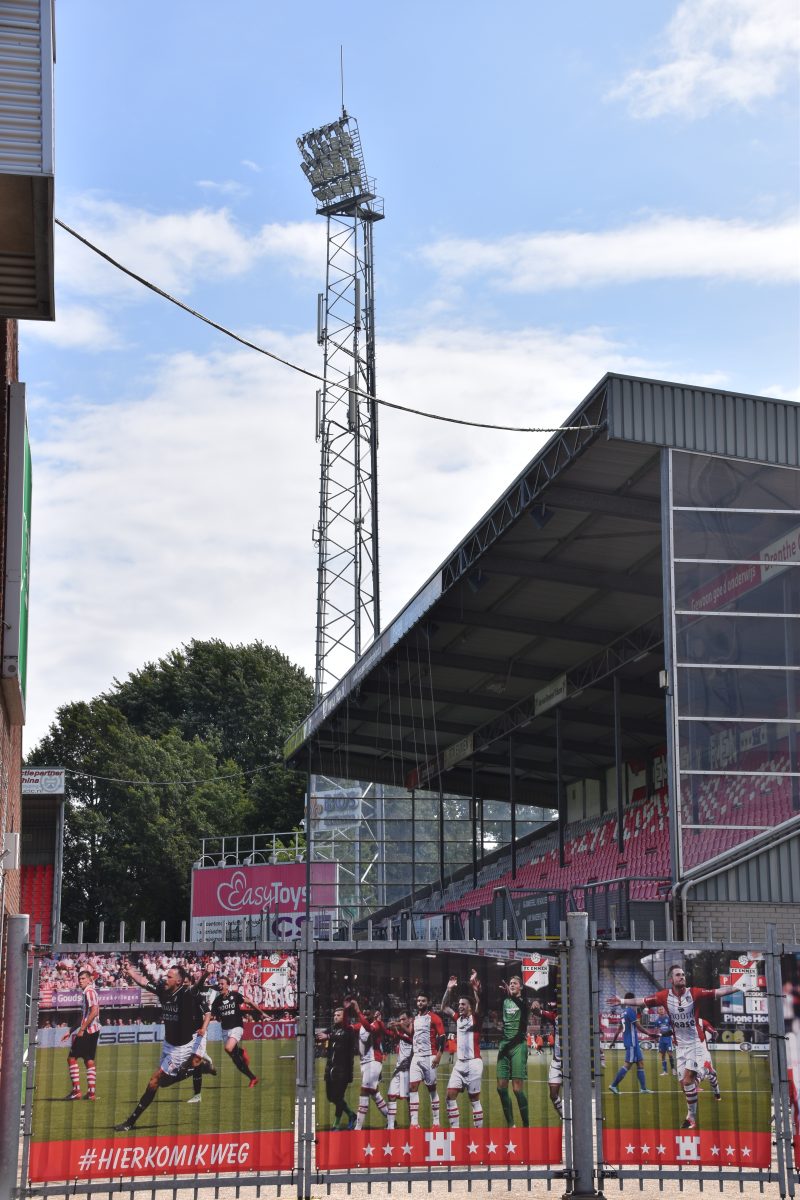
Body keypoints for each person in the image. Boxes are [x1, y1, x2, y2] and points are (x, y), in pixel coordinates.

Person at [611, 963, 743, 1129]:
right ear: (671, 979)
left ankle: (691, 1117)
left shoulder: (694, 993)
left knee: (688, 1078)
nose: (682, 977)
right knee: (684, 1084)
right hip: (679, 1046)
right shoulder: (663, 996)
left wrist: (739, 987)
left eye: (683, 974)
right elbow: (641, 1001)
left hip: (695, 1043)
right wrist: (622, 1000)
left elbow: (719, 991)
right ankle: (699, 1086)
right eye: (678, 975)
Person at [114, 960, 215, 1130]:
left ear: (178, 981)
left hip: (181, 1048)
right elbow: (144, 983)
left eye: (169, 977)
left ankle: (130, 1122)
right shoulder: (163, 990)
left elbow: (197, 987)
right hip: (168, 1044)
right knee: (164, 1083)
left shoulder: (186, 994)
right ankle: (196, 1069)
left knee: (154, 1080)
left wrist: (206, 973)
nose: (165, 978)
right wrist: (130, 971)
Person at [441, 970, 483, 1128]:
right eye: (459, 1004)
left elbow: (479, 1003)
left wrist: (475, 988)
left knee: (474, 1100)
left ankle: (478, 1133)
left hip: (474, 1063)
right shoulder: (458, 1018)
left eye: (463, 1004)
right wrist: (448, 989)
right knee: (450, 1096)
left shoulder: (476, 1018)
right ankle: (455, 1131)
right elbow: (444, 1006)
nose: (460, 1006)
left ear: (470, 1007)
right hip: (460, 1064)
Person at [210, 975, 267, 1087]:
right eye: (219, 984)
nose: (220, 985)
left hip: (236, 1027)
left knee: (228, 1048)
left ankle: (241, 1053)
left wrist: (261, 1012)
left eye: (222, 984)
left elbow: (249, 1002)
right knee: (235, 1058)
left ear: (228, 985)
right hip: (225, 1030)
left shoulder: (235, 995)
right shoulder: (216, 1001)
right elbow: (213, 1016)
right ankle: (252, 1077)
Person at [347, 998, 390, 1129]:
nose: (365, 1014)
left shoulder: (377, 1024)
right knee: (374, 1093)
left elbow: (367, 1026)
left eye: (367, 1013)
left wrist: (357, 1011)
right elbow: (349, 1028)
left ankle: (358, 1128)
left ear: (372, 1014)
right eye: (363, 1013)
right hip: (364, 1064)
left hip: (374, 1061)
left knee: (364, 1091)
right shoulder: (360, 1025)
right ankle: (391, 1119)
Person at [497, 976, 531, 1127]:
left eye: (514, 983)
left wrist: (510, 994)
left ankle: (526, 1125)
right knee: (501, 1088)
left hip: (518, 1046)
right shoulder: (505, 1002)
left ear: (521, 987)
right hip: (504, 1046)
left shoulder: (524, 1003)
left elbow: (521, 1004)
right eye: (510, 983)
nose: (511, 985)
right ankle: (511, 1125)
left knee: (517, 1089)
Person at [61, 968, 100, 1100]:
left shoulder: (89, 992)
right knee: (89, 1060)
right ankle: (91, 1093)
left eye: (83, 979)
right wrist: (70, 1031)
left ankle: (76, 1091)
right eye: (79, 979)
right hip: (93, 1030)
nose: (80, 981)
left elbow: (94, 1011)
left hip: (88, 1031)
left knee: (71, 1058)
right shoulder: (87, 992)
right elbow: (84, 1015)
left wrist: (82, 1029)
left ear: (90, 980)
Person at [409, 992, 445, 1128]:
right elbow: (411, 1035)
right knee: (413, 1087)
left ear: (428, 1002)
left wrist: (439, 1055)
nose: (420, 1003)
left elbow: (442, 1037)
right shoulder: (415, 1019)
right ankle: (414, 1122)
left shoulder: (434, 1018)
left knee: (432, 1089)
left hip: (430, 1057)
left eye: (423, 1001)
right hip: (416, 1057)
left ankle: (436, 1121)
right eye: (418, 1001)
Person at [607, 993, 652, 1095]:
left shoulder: (623, 1013)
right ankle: (613, 1085)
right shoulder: (630, 1011)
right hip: (631, 1042)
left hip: (633, 1042)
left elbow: (618, 1030)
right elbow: (639, 1026)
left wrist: (613, 1042)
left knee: (640, 1063)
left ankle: (643, 1088)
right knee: (628, 1065)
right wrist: (650, 1034)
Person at [322, 1006, 357, 1130]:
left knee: (338, 1097)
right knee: (330, 1097)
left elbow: (344, 1041)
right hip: (330, 1070)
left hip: (343, 1071)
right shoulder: (333, 1030)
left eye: (338, 1015)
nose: (335, 1017)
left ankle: (336, 1124)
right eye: (334, 1015)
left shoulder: (349, 1030)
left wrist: (329, 1037)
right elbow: (323, 1035)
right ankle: (351, 1115)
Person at [532, 998, 563, 1119]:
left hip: (572, 1063)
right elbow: (537, 1011)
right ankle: (564, 1116)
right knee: (553, 1095)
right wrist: (534, 1006)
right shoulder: (554, 1015)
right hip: (557, 1061)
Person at [385, 1012, 413, 1130]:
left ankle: (413, 1123)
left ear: (410, 1020)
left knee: (409, 1099)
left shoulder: (414, 1032)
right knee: (391, 1095)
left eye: (403, 1019)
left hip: (408, 1071)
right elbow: (389, 1031)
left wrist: (397, 1027)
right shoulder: (401, 1032)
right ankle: (391, 1126)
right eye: (400, 1019)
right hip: (398, 1069)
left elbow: (409, 1039)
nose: (401, 1021)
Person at [654, 1006, 676, 1075]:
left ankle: (673, 1069)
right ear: (658, 1011)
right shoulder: (657, 1020)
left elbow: (673, 1028)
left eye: (662, 1009)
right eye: (659, 1009)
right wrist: (656, 1038)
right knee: (662, 1055)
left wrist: (674, 1038)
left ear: (664, 1010)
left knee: (670, 1054)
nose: (661, 1010)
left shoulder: (668, 1018)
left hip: (668, 1038)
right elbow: (657, 1030)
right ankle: (665, 1071)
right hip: (662, 1039)